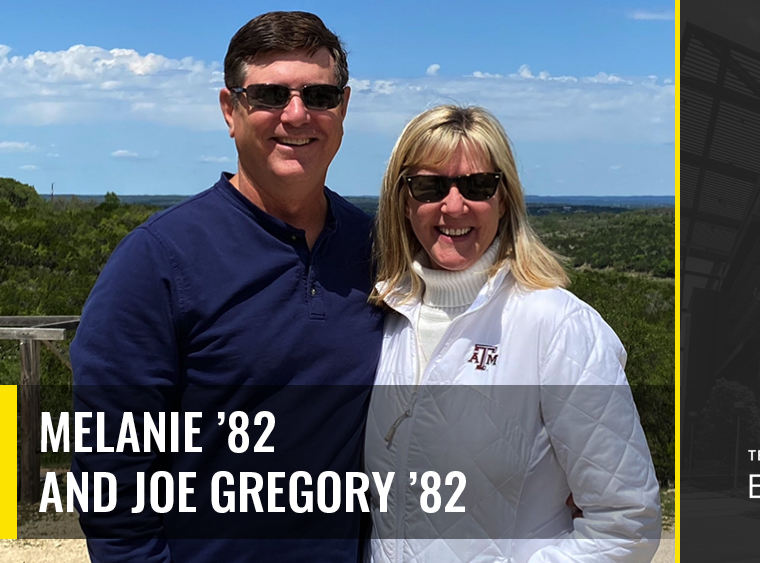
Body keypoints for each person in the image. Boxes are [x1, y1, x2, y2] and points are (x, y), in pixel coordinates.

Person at [70, 11, 383, 563]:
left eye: (319, 95)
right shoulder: (157, 260)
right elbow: (110, 473)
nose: (296, 114)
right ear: (230, 110)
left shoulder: (381, 250)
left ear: (343, 108)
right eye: (268, 95)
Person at [365, 105, 661, 562]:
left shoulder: (558, 326)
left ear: (504, 198)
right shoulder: (385, 315)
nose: (454, 205)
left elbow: (627, 527)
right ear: (404, 201)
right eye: (429, 186)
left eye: (479, 185)